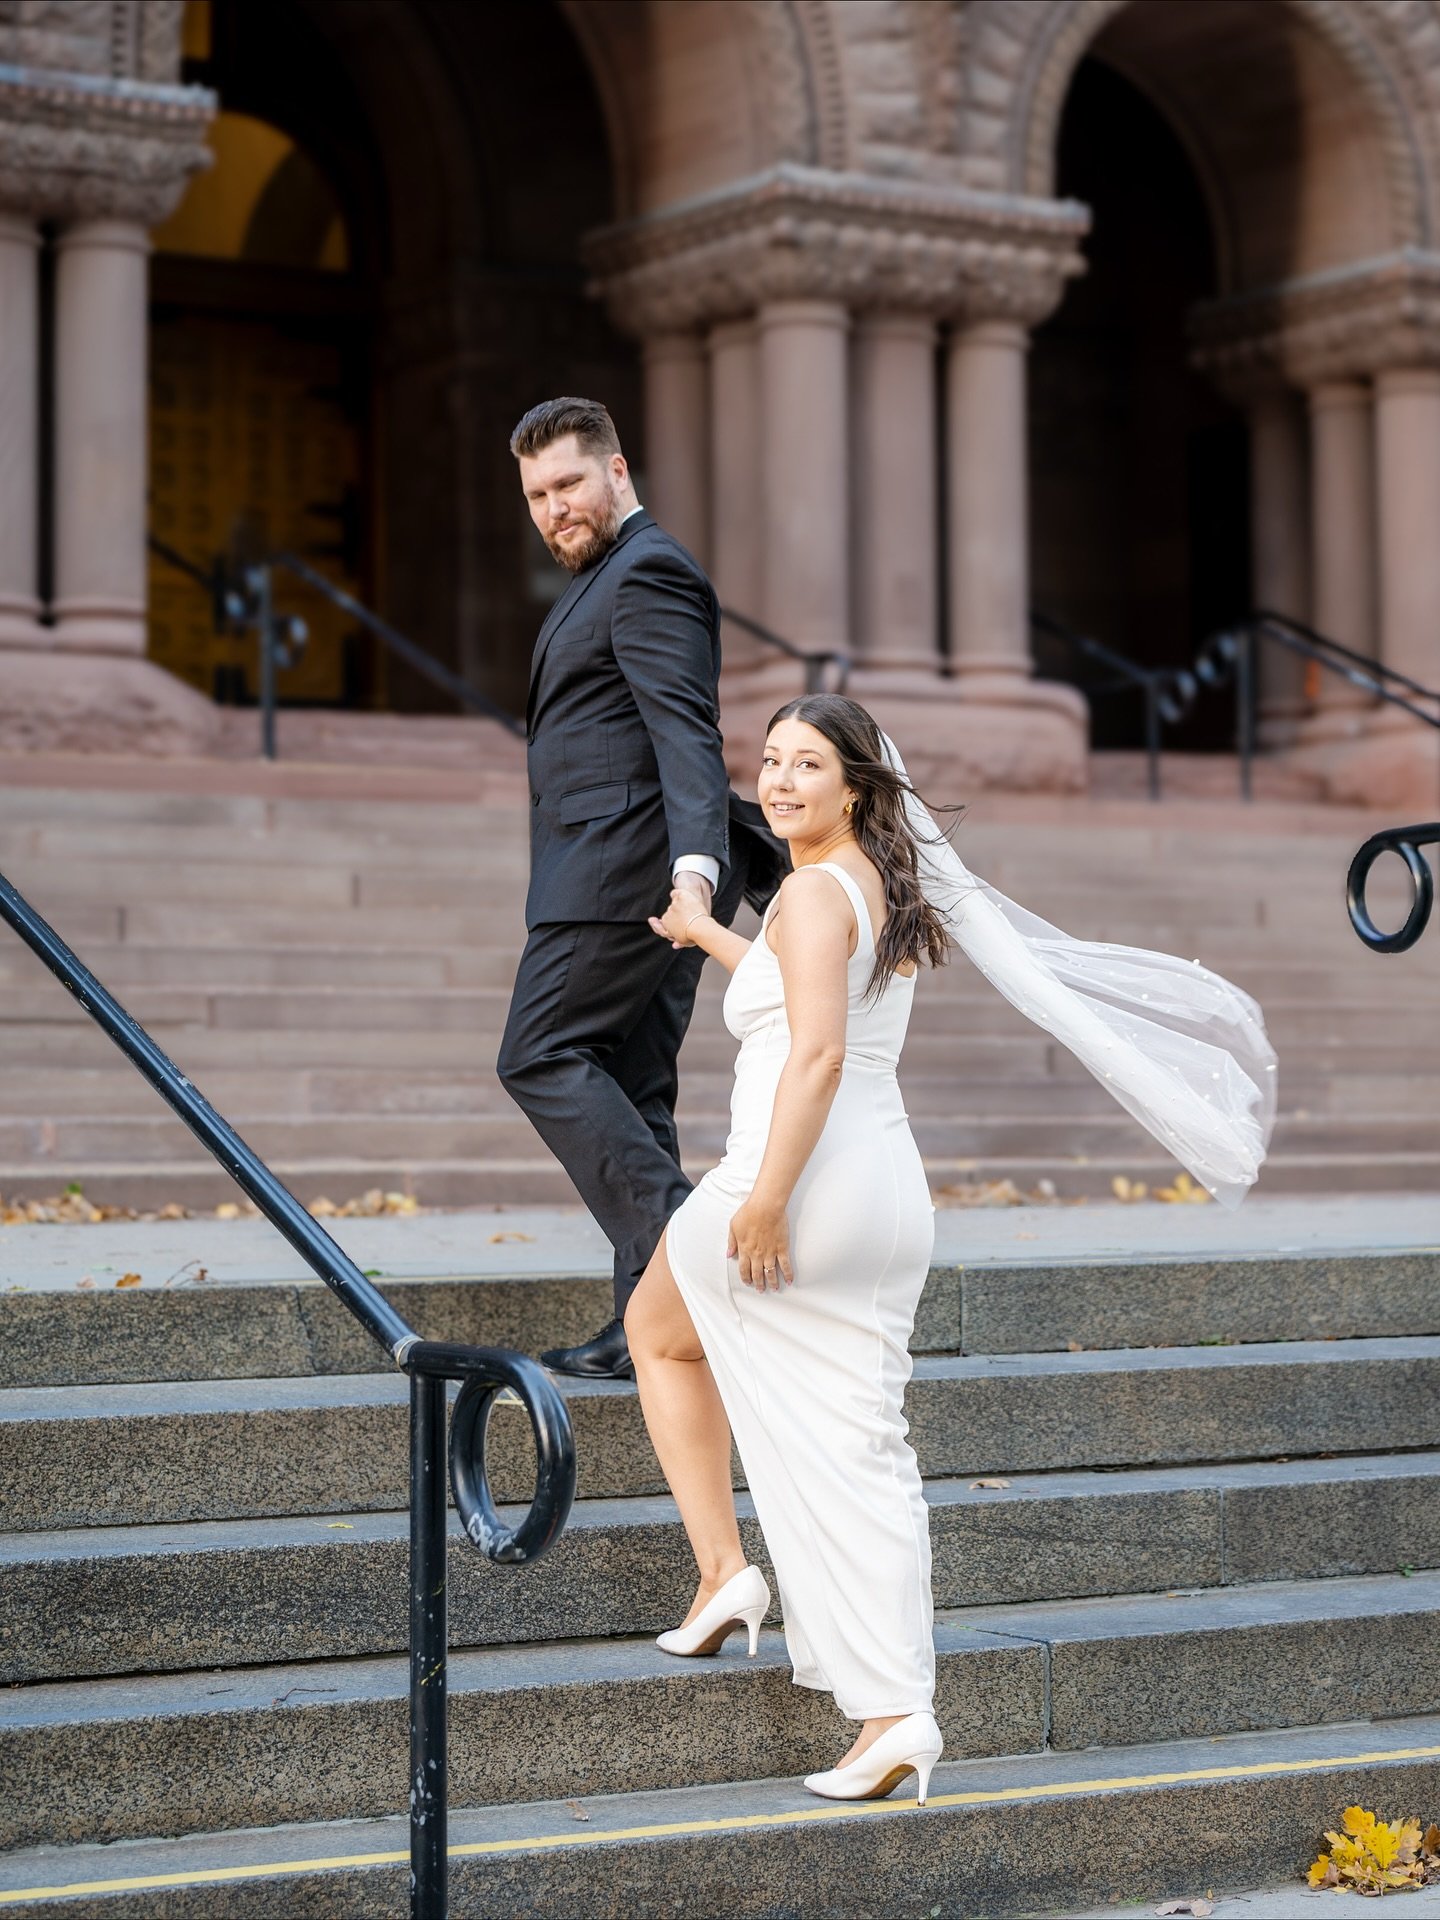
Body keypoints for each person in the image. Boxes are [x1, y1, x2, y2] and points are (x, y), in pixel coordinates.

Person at [626, 691, 1277, 1802]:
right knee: (826, 1420)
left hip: (796, 1172)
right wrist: (710, 935)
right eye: (770, 762)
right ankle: (759, 1602)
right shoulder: (868, 888)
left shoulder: (816, 895)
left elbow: (817, 1055)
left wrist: (768, 1197)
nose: (779, 782)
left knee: (727, 1377)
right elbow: (803, 997)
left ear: (857, 788)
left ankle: (823, 1652)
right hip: (878, 1183)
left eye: (805, 767)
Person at [498, 396, 782, 1382]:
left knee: (538, 1054)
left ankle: (692, 1260)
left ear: (619, 472)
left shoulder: (647, 570)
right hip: (631, 873)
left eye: (569, 483)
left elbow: (685, 732)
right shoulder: (602, 577)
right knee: (633, 1088)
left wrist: (694, 876)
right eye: (537, 495)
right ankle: (648, 1330)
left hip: (622, 876)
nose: (554, 508)